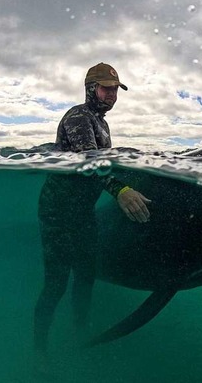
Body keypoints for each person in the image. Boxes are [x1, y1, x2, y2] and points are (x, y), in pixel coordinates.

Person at [33, 62, 151, 373]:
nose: (111, 94)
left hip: (82, 213)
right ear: (90, 88)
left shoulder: (102, 123)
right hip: (58, 214)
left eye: (115, 89)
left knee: (85, 277)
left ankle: (80, 334)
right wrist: (120, 189)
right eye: (105, 88)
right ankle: (39, 351)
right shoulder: (78, 117)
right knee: (55, 285)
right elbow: (89, 163)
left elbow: (102, 163)